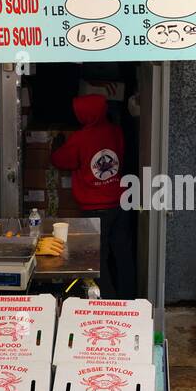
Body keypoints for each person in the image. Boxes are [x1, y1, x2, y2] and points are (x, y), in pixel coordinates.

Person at [51, 94, 136, 298]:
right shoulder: (116, 131)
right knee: (123, 253)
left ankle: (108, 301)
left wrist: (55, 146)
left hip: (95, 208)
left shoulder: (80, 138)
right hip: (120, 203)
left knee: (98, 258)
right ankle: (130, 298)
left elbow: (61, 160)